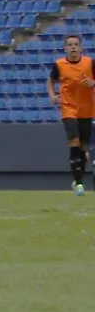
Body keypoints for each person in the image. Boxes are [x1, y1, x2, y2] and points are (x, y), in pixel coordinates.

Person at [46, 34, 95, 195]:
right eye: (70, 44)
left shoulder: (90, 63)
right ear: (65, 48)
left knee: (83, 146)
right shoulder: (59, 64)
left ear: (81, 47)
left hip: (87, 109)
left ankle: (77, 178)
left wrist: (93, 82)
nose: (73, 47)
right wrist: (52, 95)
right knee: (74, 140)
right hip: (68, 108)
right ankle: (79, 183)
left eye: (75, 44)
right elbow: (50, 80)